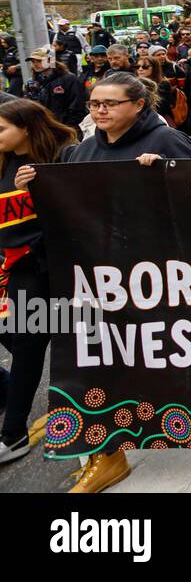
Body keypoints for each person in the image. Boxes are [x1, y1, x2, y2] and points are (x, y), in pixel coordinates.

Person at [38, 72, 191, 492]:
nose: (100, 111)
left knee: (170, 353)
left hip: (160, 273)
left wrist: (166, 175)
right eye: (95, 104)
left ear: (139, 105)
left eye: (110, 103)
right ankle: (106, 451)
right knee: (101, 357)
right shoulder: (83, 150)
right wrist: (36, 188)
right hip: (100, 276)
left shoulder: (167, 142)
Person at [0, 100, 79, 463]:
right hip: (18, 270)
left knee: (44, 346)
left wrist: (37, 191)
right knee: (24, 345)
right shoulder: (4, 162)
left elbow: (78, 212)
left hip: (56, 269)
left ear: (27, 127)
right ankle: (16, 419)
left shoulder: (64, 155)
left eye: (1, 129)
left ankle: (14, 432)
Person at [23, 47, 84, 129]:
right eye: (33, 61)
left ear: (51, 60)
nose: (35, 64)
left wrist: (68, 126)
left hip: (65, 127)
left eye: (39, 61)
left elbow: (77, 105)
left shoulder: (69, 79)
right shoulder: (31, 82)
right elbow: (28, 106)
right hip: (42, 128)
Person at [134, 55, 177, 124]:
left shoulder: (163, 84)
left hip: (156, 121)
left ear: (154, 68)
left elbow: (162, 108)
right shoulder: (133, 83)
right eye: (137, 67)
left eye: (145, 67)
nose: (140, 69)